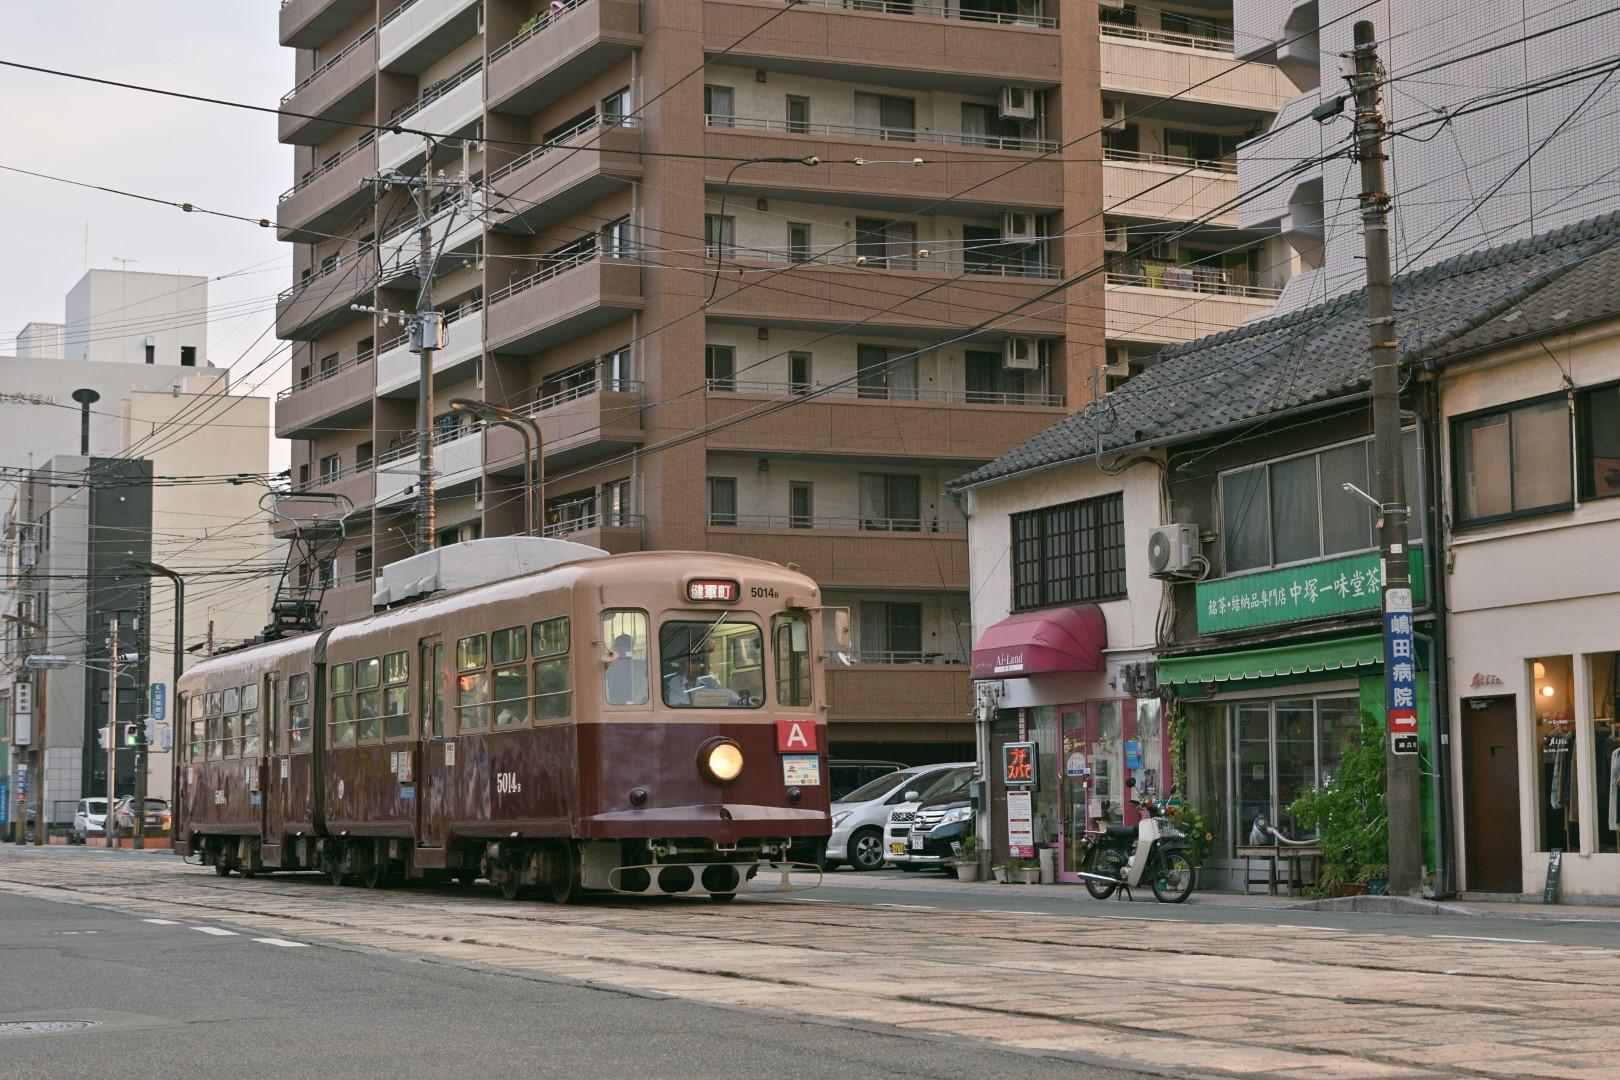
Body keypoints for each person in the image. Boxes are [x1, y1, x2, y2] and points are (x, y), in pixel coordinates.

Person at [664, 652, 737, 706]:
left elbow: (729, 695)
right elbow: (680, 705)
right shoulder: (676, 681)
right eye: (693, 663)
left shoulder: (708, 680)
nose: (697, 666)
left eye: (698, 662)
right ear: (682, 666)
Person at [604, 633, 647, 705]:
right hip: (615, 705)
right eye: (618, 646)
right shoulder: (609, 669)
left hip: (634, 705)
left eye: (621, 646)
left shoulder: (641, 666)